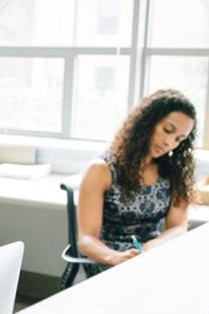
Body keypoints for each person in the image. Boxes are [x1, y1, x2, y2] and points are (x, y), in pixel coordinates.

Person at [77, 89, 198, 277]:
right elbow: (86, 239)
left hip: (153, 254)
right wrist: (116, 258)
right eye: (167, 130)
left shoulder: (173, 172)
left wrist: (148, 249)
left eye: (178, 139)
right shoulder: (101, 170)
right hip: (111, 259)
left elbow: (178, 227)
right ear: (147, 122)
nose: (169, 143)